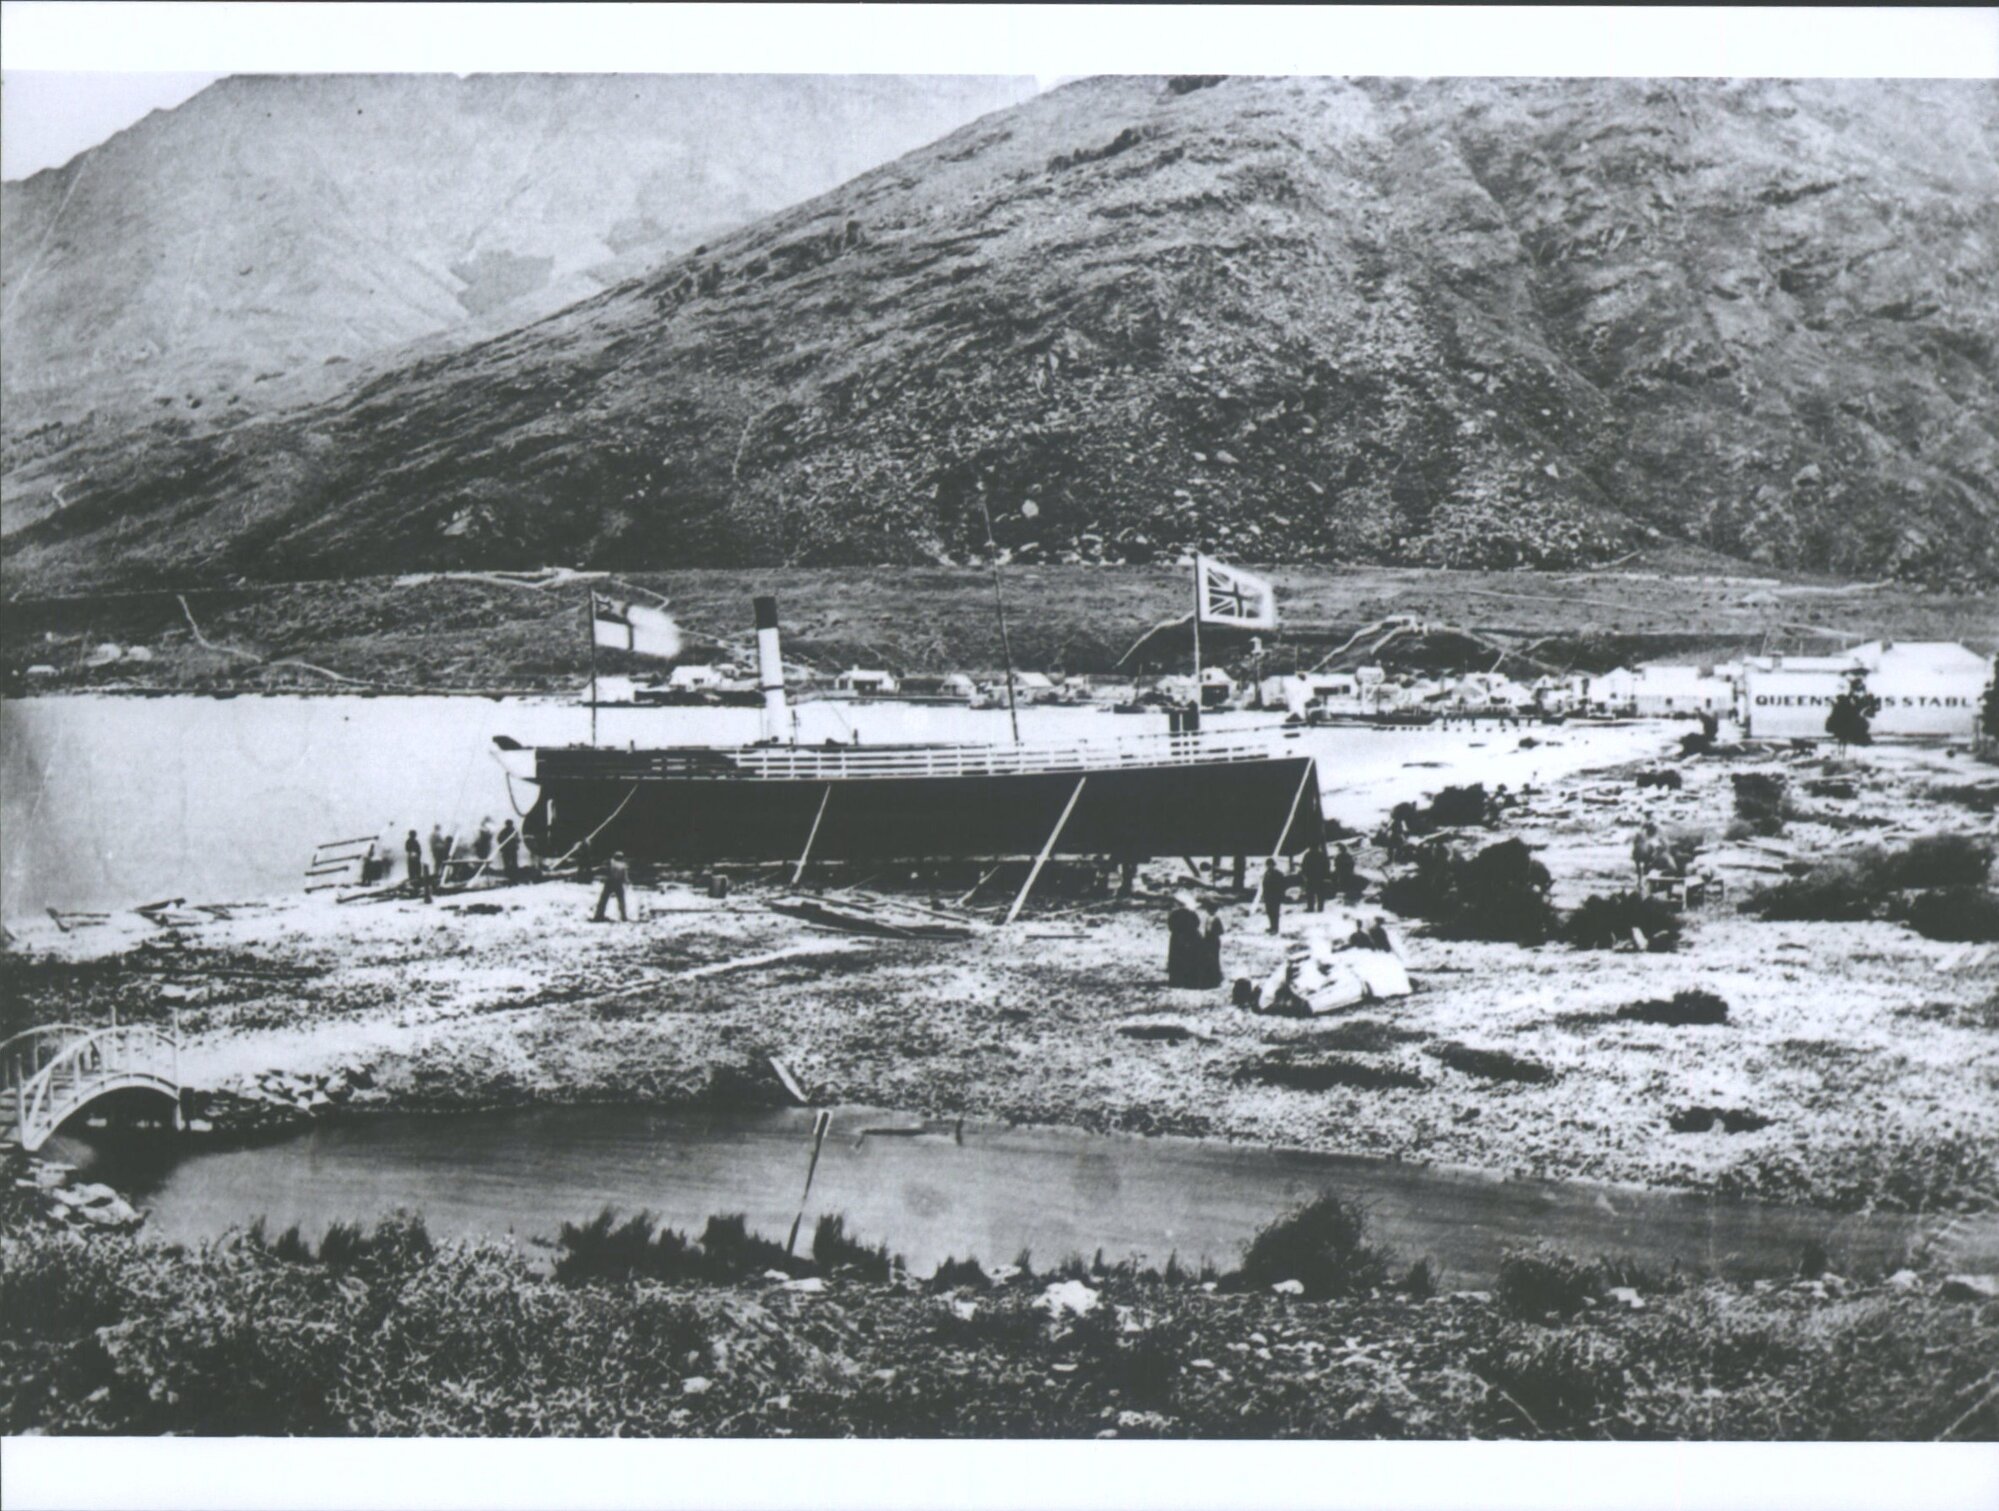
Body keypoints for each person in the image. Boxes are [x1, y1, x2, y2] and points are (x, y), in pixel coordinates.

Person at [1165, 892, 1203, 986]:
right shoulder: (1191, 914)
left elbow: (1170, 925)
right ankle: (1188, 980)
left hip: (1178, 938)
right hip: (1189, 938)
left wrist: (1176, 931)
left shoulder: (1175, 914)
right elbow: (1197, 923)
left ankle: (1176, 980)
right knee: (1188, 958)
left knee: (1178, 959)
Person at [593, 850, 631, 922]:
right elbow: (625, 877)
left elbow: (606, 871)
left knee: (603, 899)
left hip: (610, 882)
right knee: (621, 900)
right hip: (618, 883)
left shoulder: (611, 862)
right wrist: (627, 882)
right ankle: (623, 916)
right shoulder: (623, 865)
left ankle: (599, 915)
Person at [1198, 901, 1225, 989]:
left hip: (1210, 940)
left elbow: (1219, 931)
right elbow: (1221, 931)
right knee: (1213, 959)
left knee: (1211, 959)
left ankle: (1212, 978)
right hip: (1212, 940)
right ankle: (1213, 978)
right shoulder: (1213, 919)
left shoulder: (1210, 919)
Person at [1259, 858, 1288, 935]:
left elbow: (1282, 885)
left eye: (1270, 865)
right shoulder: (1267, 874)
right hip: (1268, 896)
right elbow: (1264, 885)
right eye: (1268, 865)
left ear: (1273, 865)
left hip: (1275, 896)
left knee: (1275, 913)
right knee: (1269, 912)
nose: (1269, 867)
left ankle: (1275, 928)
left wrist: (1281, 895)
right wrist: (1263, 895)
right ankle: (1272, 927)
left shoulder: (1278, 874)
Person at [1300, 845, 1329, 913]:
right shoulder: (1322, 855)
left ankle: (1311, 908)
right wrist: (1325, 875)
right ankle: (1320, 908)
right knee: (1320, 893)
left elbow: (1304, 866)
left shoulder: (1308, 855)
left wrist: (1305, 874)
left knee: (1310, 893)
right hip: (1320, 877)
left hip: (1310, 877)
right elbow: (1326, 865)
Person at [403, 829, 431, 903]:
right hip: (413, 859)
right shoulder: (409, 841)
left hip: (416, 858)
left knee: (417, 872)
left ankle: (417, 886)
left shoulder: (414, 841)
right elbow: (408, 849)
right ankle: (414, 887)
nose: (415, 835)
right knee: (413, 872)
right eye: (414, 834)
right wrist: (413, 853)